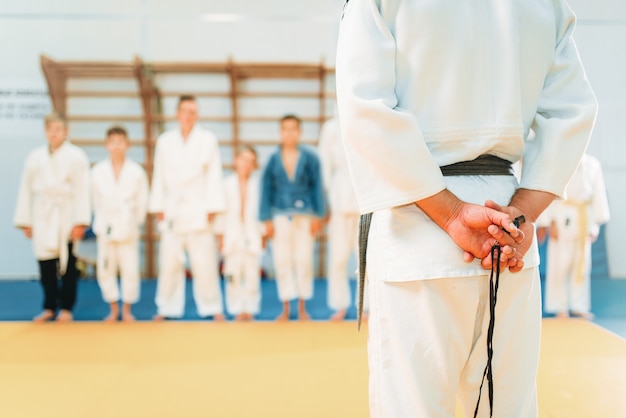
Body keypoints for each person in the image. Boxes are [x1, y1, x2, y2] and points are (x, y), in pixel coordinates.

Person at [336, 1, 597, 417]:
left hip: (420, 222)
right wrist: (524, 211)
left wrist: (453, 213)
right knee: (506, 407)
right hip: (508, 227)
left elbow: (365, 106)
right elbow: (572, 111)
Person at [149, 95, 226, 321]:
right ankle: (167, 307)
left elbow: (214, 175)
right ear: (177, 114)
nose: (188, 116)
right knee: (170, 264)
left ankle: (212, 307)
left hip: (199, 208)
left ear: (197, 115)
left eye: (193, 111)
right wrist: (158, 206)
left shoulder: (208, 139)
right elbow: (159, 176)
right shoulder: (165, 141)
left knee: (205, 264)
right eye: (185, 111)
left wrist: (212, 206)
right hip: (172, 208)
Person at [14, 112, 91, 322]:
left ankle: (66, 308)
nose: (54, 134)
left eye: (58, 129)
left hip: (67, 214)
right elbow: (26, 190)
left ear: (66, 131)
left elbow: (83, 190)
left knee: (68, 265)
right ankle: (49, 306)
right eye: (50, 129)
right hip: (42, 214)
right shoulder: (34, 157)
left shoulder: (77, 156)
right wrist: (25, 221)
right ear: (45, 131)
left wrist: (81, 221)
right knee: (46, 265)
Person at [259, 114, 326, 321]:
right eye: (285, 129)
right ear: (281, 133)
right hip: (279, 215)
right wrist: (266, 220)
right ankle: (287, 308)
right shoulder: (272, 160)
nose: (289, 133)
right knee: (282, 261)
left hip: (304, 215)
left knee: (304, 260)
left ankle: (303, 307)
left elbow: (317, 188)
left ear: (299, 132)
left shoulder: (310, 158)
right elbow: (266, 190)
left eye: (293, 129)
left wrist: (318, 216)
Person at [537, 154, 610, 319]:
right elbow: (549, 192)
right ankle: (559, 307)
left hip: (584, 218)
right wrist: (548, 222)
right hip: (560, 215)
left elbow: (598, 197)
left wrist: (595, 226)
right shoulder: (558, 161)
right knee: (559, 265)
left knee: (581, 266)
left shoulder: (593, 164)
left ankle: (579, 305)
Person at [91, 126, 149, 322]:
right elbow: (95, 200)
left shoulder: (136, 171)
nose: (116, 146)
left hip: (128, 224)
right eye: (112, 142)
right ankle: (113, 308)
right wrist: (102, 219)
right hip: (106, 223)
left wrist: (136, 223)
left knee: (130, 268)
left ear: (127, 145)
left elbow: (142, 201)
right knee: (106, 268)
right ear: (106, 144)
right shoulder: (98, 171)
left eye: (120, 142)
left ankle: (127, 310)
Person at [318, 116, 360, 321]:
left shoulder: (364, 120)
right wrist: (323, 201)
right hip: (338, 198)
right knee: (337, 258)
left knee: (365, 258)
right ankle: (339, 306)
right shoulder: (331, 127)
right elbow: (324, 165)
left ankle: (369, 306)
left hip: (364, 196)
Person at [216, 146, 265, 321]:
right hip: (232, 235)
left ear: (254, 165)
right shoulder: (226, 184)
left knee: (252, 275)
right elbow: (221, 213)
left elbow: (263, 213)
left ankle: (250, 308)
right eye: (243, 159)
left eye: (251, 161)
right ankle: (236, 309)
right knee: (232, 275)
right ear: (236, 160)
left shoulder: (258, 185)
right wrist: (220, 236)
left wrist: (263, 235)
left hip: (252, 235)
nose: (246, 164)